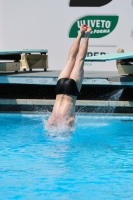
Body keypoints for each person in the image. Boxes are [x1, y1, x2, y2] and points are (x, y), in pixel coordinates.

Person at [47, 24, 92, 130]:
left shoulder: (54, 121)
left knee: (78, 60)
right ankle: (80, 35)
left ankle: (85, 35)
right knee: (71, 59)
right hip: (60, 88)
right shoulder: (52, 121)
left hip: (70, 92)